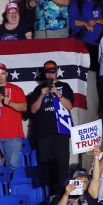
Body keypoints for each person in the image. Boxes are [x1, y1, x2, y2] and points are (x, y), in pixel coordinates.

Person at [29, 60, 76, 193]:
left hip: (61, 133)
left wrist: (57, 93)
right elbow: (33, 110)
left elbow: (69, 106)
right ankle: (50, 198)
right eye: (47, 72)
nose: (50, 75)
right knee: (47, 167)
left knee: (62, 166)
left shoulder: (65, 86)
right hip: (44, 134)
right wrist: (41, 95)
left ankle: (63, 196)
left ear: (57, 72)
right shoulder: (38, 89)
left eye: (52, 72)